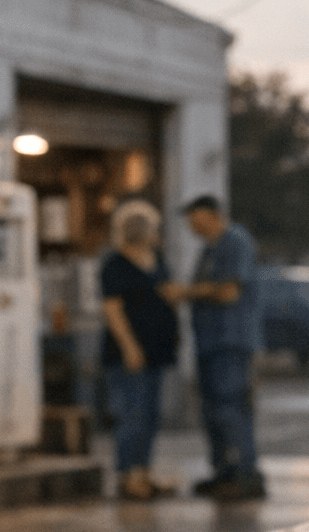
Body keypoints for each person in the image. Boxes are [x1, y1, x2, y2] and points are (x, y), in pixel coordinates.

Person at [174, 194, 266, 501]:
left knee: (231, 408)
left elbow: (229, 292)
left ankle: (245, 473)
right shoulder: (209, 248)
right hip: (210, 344)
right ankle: (224, 472)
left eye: (195, 219)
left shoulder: (235, 242)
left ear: (211, 216)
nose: (192, 226)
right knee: (213, 411)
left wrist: (185, 293)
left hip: (231, 343)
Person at [99, 200, 180, 500]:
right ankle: (127, 476)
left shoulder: (156, 259)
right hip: (128, 354)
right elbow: (113, 310)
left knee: (150, 415)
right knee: (130, 414)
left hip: (157, 350)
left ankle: (143, 472)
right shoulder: (114, 265)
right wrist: (130, 347)